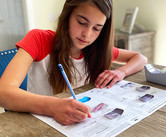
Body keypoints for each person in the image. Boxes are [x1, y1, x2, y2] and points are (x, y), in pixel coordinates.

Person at [0, 0, 147, 125]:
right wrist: (53, 106)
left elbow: (140, 58)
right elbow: (3, 93)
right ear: (67, 16)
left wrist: (121, 72)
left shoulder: (96, 49)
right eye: (82, 22)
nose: (87, 35)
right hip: (41, 124)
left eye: (97, 28)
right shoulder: (39, 39)